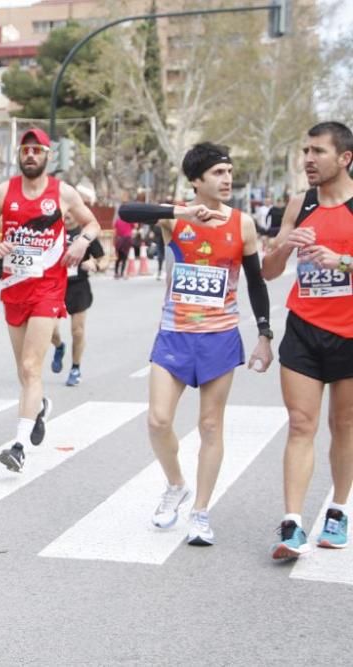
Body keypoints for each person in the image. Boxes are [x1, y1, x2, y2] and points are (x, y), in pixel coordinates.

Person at [119, 142, 274, 546]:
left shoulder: (241, 224)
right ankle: (175, 484)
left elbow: (256, 282)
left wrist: (264, 333)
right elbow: (125, 212)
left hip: (220, 337)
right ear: (197, 181)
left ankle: (200, 512)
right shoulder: (176, 219)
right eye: (219, 173)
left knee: (209, 425)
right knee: (158, 420)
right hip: (173, 334)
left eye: (229, 172)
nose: (227, 179)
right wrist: (180, 212)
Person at [0, 128, 102, 473]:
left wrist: (80, 243)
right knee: (24, 372)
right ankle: (40, 405)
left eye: (37, 150)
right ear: (19, 154)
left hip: (48, 287)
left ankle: (18, 446)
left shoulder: (63, 193)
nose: (31, 155)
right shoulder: (4, 192)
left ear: (48, 156)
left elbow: (93, 225)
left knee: (32, 367)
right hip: (14, 287)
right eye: (26, 150)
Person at [261, 121, 353, 558]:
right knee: (301, 424)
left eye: (318, 151)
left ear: (345, 158)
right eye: (306, 151)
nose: (309, 159)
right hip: (304, 328)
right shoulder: (300, 203)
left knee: (344, 426)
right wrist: (284, 246)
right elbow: (268, 271)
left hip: (350, 333)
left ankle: (337, 509)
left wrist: (343, 261)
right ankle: (292, 523)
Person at [50, 186, 109, 387]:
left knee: (77, 330)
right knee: (50, 331)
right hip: (53, 286)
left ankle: (75, 367)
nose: (67, 216)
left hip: (78, 286)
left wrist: (95, 264)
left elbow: (103, 259)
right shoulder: (51, 231)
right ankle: (59, 347)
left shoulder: (86, 234)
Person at [113, 205, 134, 279]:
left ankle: (116, 273)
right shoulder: (129, 220)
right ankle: (122, 273)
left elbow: (115, 233)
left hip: (119, 240)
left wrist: (114, 242)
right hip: (127, 240)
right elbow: (134, 226)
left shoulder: (117, 221)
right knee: (125, 257)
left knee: (118, 257)